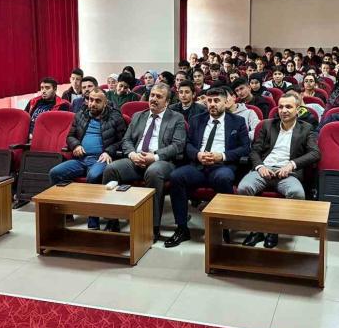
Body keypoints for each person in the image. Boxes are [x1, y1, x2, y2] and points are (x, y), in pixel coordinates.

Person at [164, 88, 251, 248]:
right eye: (209, 101)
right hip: (198, 165)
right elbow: (187, 144)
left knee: (223, 177)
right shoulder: (197, 119)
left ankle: (223, 226)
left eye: (216, 101)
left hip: (221, 165)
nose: (212, 104)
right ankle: (182, 228)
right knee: (176, 176)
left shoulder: (237, 121)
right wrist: (197, 154)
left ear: (226, 102)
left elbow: (245, 148)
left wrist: (222, 156)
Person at [236, 91, 321, 248]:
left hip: (288, 172)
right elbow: (255, 151)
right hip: (264, 169)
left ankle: (274, 230)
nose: (284, 110)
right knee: (243, 188)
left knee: (297, 194)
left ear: (297, 109)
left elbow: (315, 153)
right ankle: (256, 230)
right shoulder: (267, 125)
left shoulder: (306, 128)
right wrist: (260, 166)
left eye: (288, 107)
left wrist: (291, 165)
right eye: (281, 107)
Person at [102, 83, 186, 239]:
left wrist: (154, 157)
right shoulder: (138, 116)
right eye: (152, 95)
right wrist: (132, 154)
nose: (153, 99)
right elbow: (126, 140)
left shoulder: (176, 118)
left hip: (162, 161)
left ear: (167, 101)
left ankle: (152, 226)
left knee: (153, 172)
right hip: (136, 158)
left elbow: (178, 145)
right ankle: (112, 220)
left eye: (159, 96)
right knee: (111, 169)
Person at [49, 89, 127, 229]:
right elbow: (70, 136)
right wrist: (76, 145)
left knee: (93, 176)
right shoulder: (81, 114)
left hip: (101, 159)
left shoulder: (115, 117)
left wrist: (109, 152)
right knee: (55, 173)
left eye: (97, 101)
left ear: (105, 103)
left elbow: (123, 141)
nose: (93, 104)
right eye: (91, 100)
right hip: (81, 159)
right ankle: (66, 212)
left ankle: (93, 219)